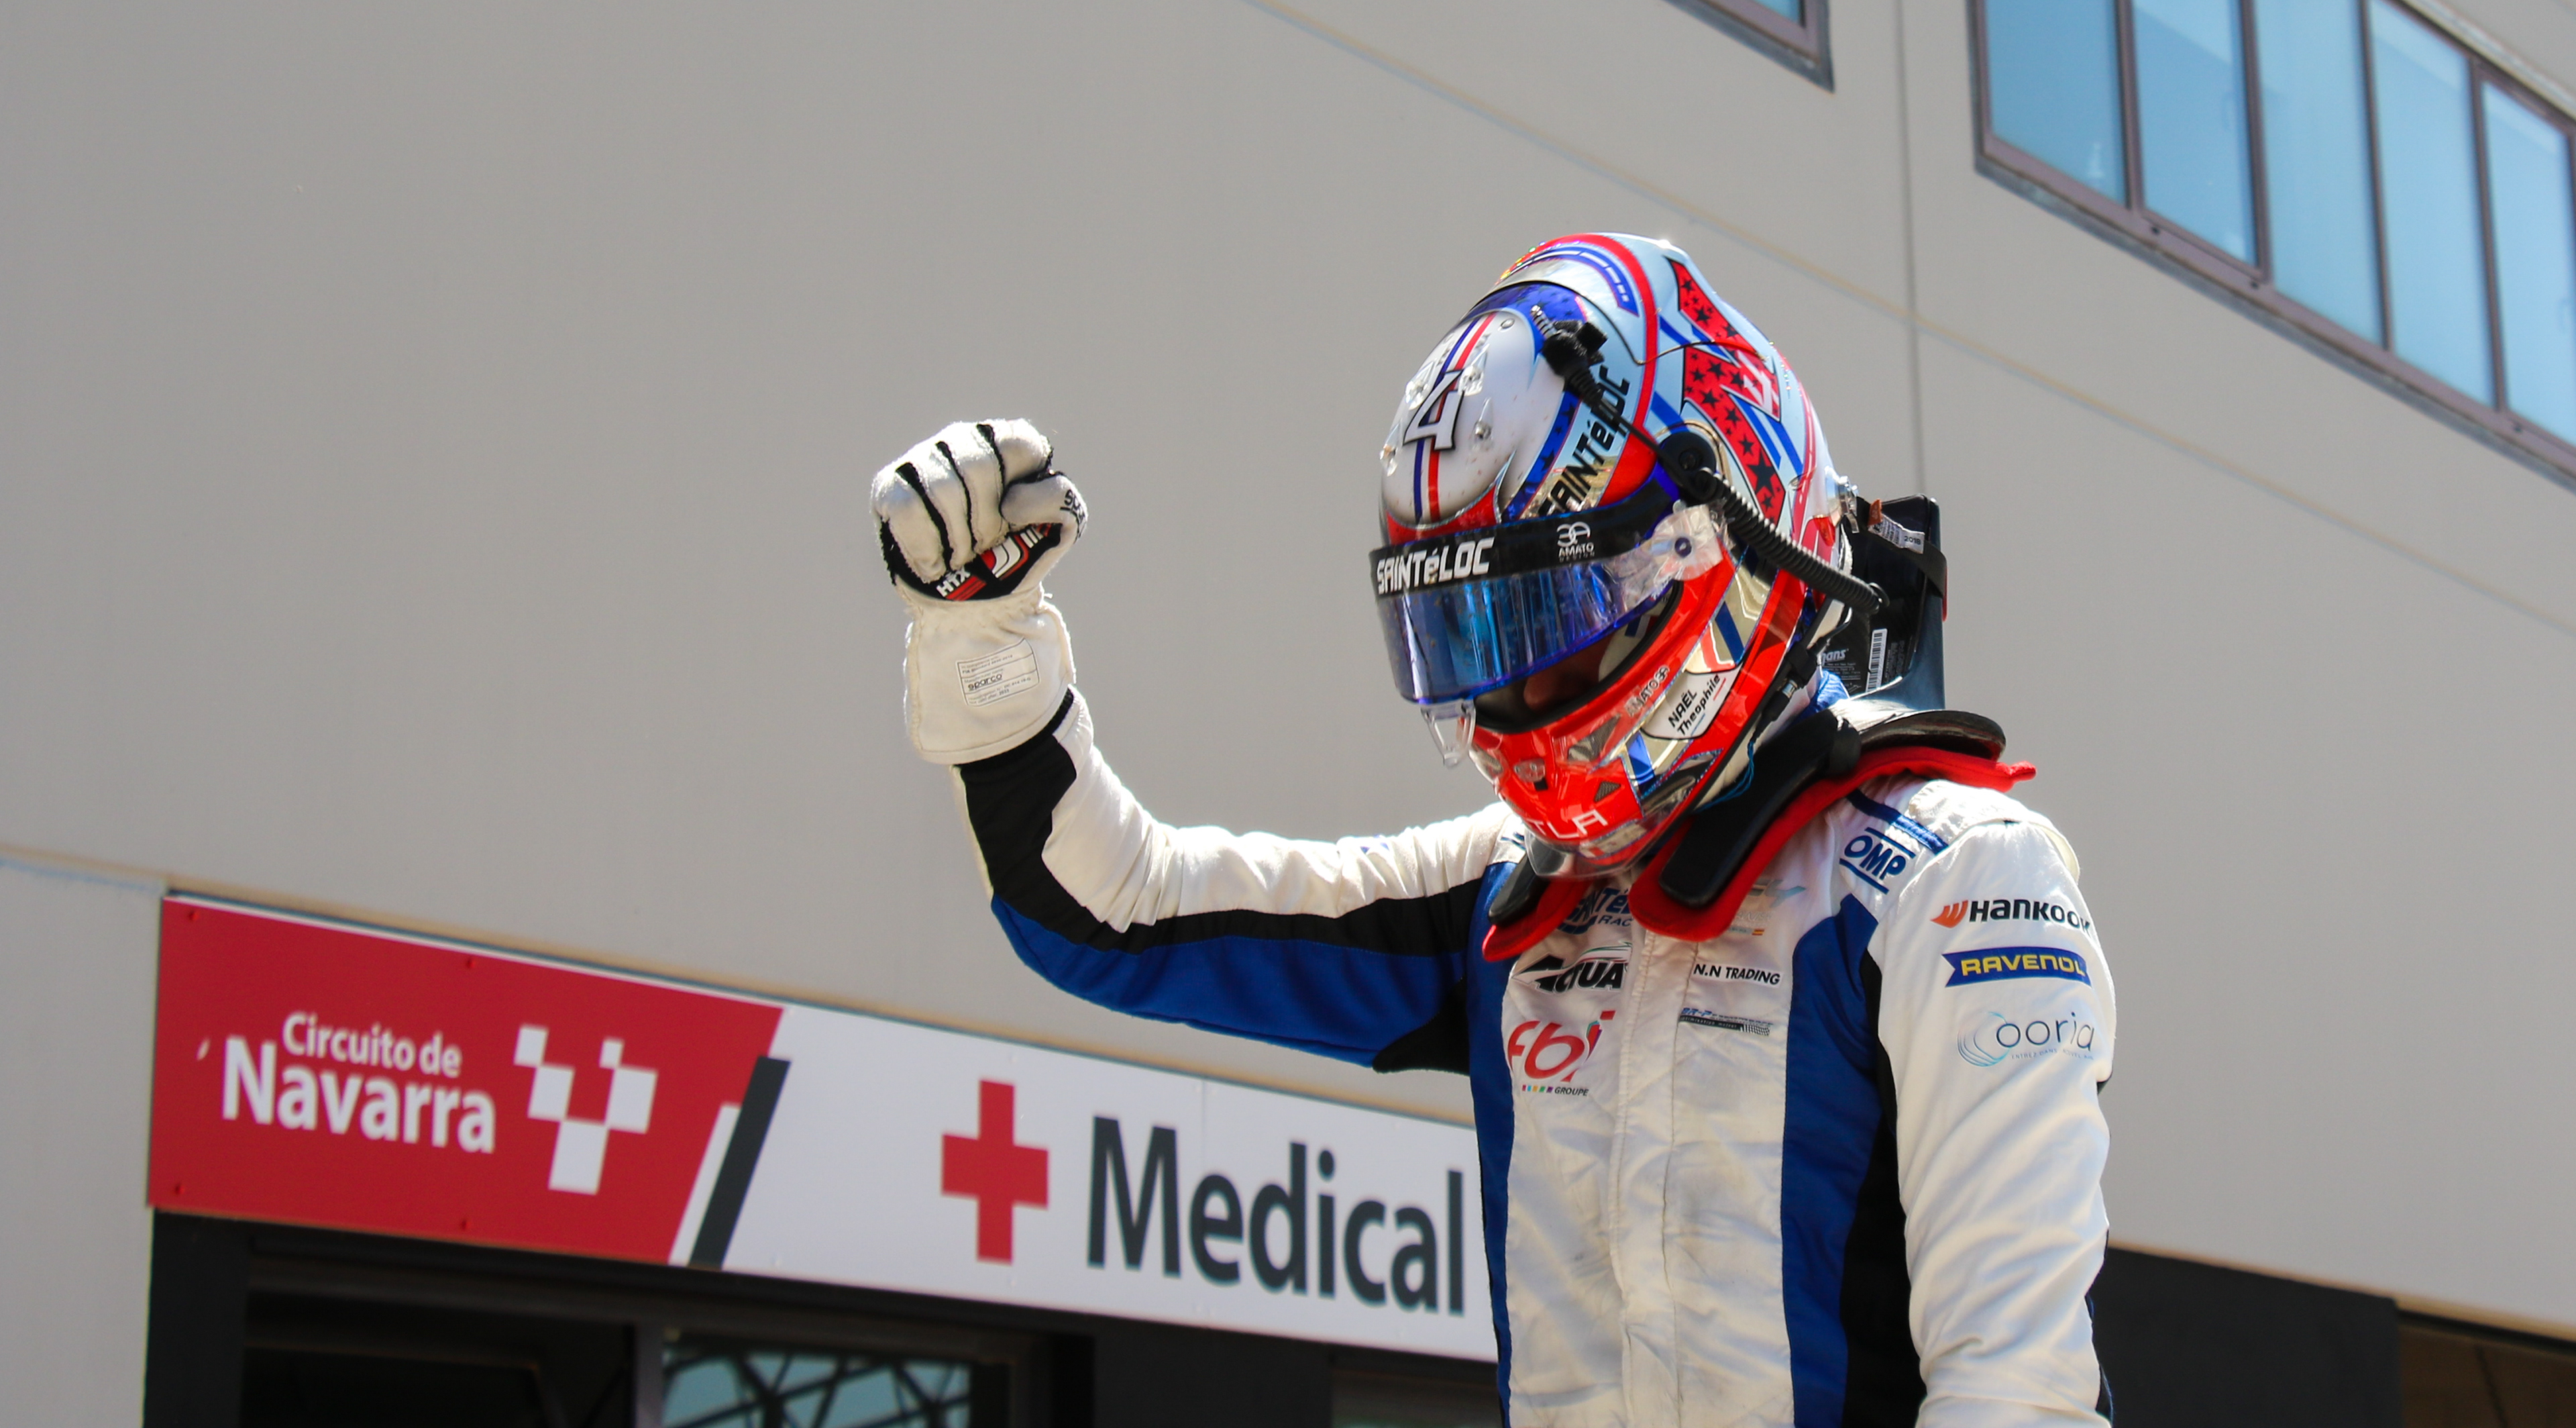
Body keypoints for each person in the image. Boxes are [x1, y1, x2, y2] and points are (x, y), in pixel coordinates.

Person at [870, 233, 2114, 1427]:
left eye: (1549, 619)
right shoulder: (1511, 891)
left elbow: (2019, 1397)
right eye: (1475, 636)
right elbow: (1119, 912)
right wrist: (986, 640)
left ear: (1715, 552)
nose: (1513, 693)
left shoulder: (1956, 879)